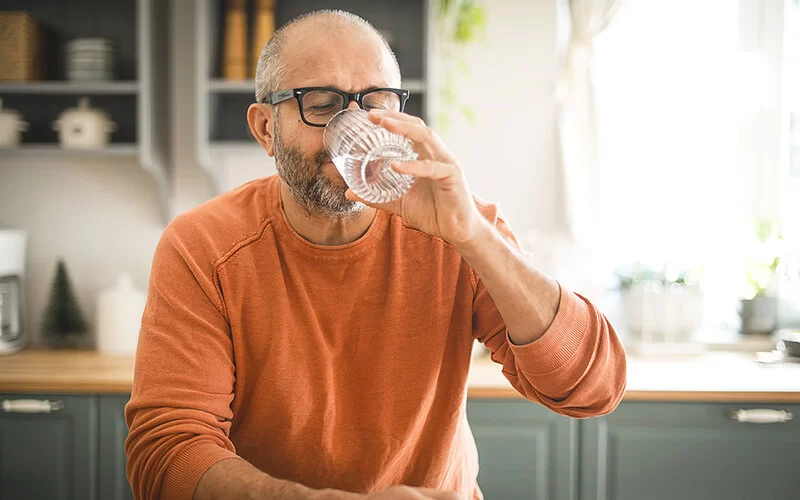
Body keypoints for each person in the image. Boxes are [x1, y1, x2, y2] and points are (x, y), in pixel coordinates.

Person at [125, 9, 626, 500]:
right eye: (321, 105)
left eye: (376, 102)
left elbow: (593, 388)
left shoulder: (458, 226)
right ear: (265, 129)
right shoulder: (204, 247)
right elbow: (168, 453)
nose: (355, 125)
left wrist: (473, 235)